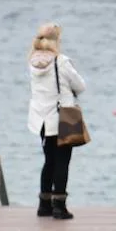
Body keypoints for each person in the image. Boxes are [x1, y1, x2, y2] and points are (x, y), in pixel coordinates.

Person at [26, 22, 87, 219]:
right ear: (56, 40)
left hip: (41, 119)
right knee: (63, 162)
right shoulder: (61, 61)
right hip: (62, 117)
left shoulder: (32, 61)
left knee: (49, 160)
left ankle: (44, 204)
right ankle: (59, 206)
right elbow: (80, 85)